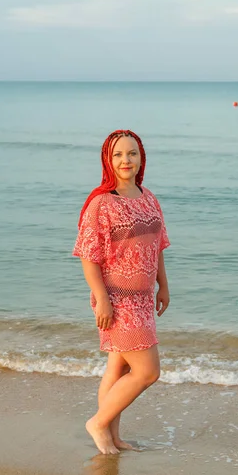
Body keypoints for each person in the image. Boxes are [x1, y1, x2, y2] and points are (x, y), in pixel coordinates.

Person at [73, 129, 170, 455]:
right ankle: (99, 423)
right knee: (148, 371)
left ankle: (112, 437)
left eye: (132, 153)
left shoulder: (149, 198)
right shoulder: (102, 203)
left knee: (119, 369)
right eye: (118, 154)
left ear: (141, 158)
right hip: (116, 299)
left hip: (143, 298)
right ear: (107, 160)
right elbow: (89, 255)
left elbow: (157, 246)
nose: (125, 160)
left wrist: (163, 285)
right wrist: (101, 298)